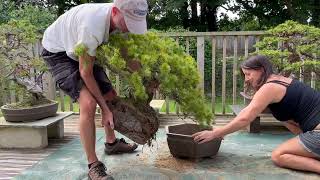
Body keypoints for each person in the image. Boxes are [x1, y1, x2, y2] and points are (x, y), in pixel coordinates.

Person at [41, 0, 148, 179]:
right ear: (115, 11)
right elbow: (86, 73)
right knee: (89, 104)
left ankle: (111, 143)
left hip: (79, 49)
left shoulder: (121, 23)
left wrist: (145, 78)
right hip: (57, 52)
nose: (129, 28)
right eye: (127, 23)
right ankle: (93, 165)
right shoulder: (92, 25)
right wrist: (105, 110)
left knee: (110, 95)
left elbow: (127, 56)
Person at [193, 55, 320, 174]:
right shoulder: (282, 81)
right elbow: (297, 127)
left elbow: (245, 117)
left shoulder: (270, 87)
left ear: (261, 70)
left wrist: (216, 133)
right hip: (314, 131)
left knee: (279, 155)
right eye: (245, 75)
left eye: (248, 74)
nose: (247, 78)